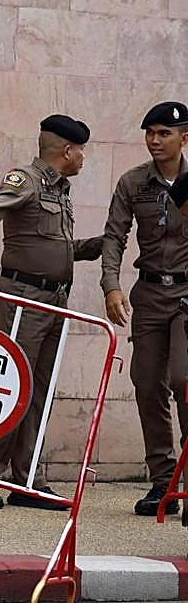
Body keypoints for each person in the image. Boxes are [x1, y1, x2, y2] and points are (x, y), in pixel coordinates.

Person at [0, 114, 103, 511]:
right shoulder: (26, 180)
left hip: (54, 300)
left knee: (39, 390)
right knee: (9, 386)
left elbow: (56, 248)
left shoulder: (62, 191)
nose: (83, 158)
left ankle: (27, 481)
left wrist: (103, 244)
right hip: (22, 296)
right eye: (81, 151)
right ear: (68, 151)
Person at [101, 102, 188, 517]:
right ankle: (163, 482)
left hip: (187, 296)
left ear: (183, 138)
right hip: (149, 296)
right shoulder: (133, 182)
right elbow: (114, 237)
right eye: (149, 133)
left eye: (163, 134)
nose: (154, 140)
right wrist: (112, 286)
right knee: (148, 384)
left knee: (184, 379)